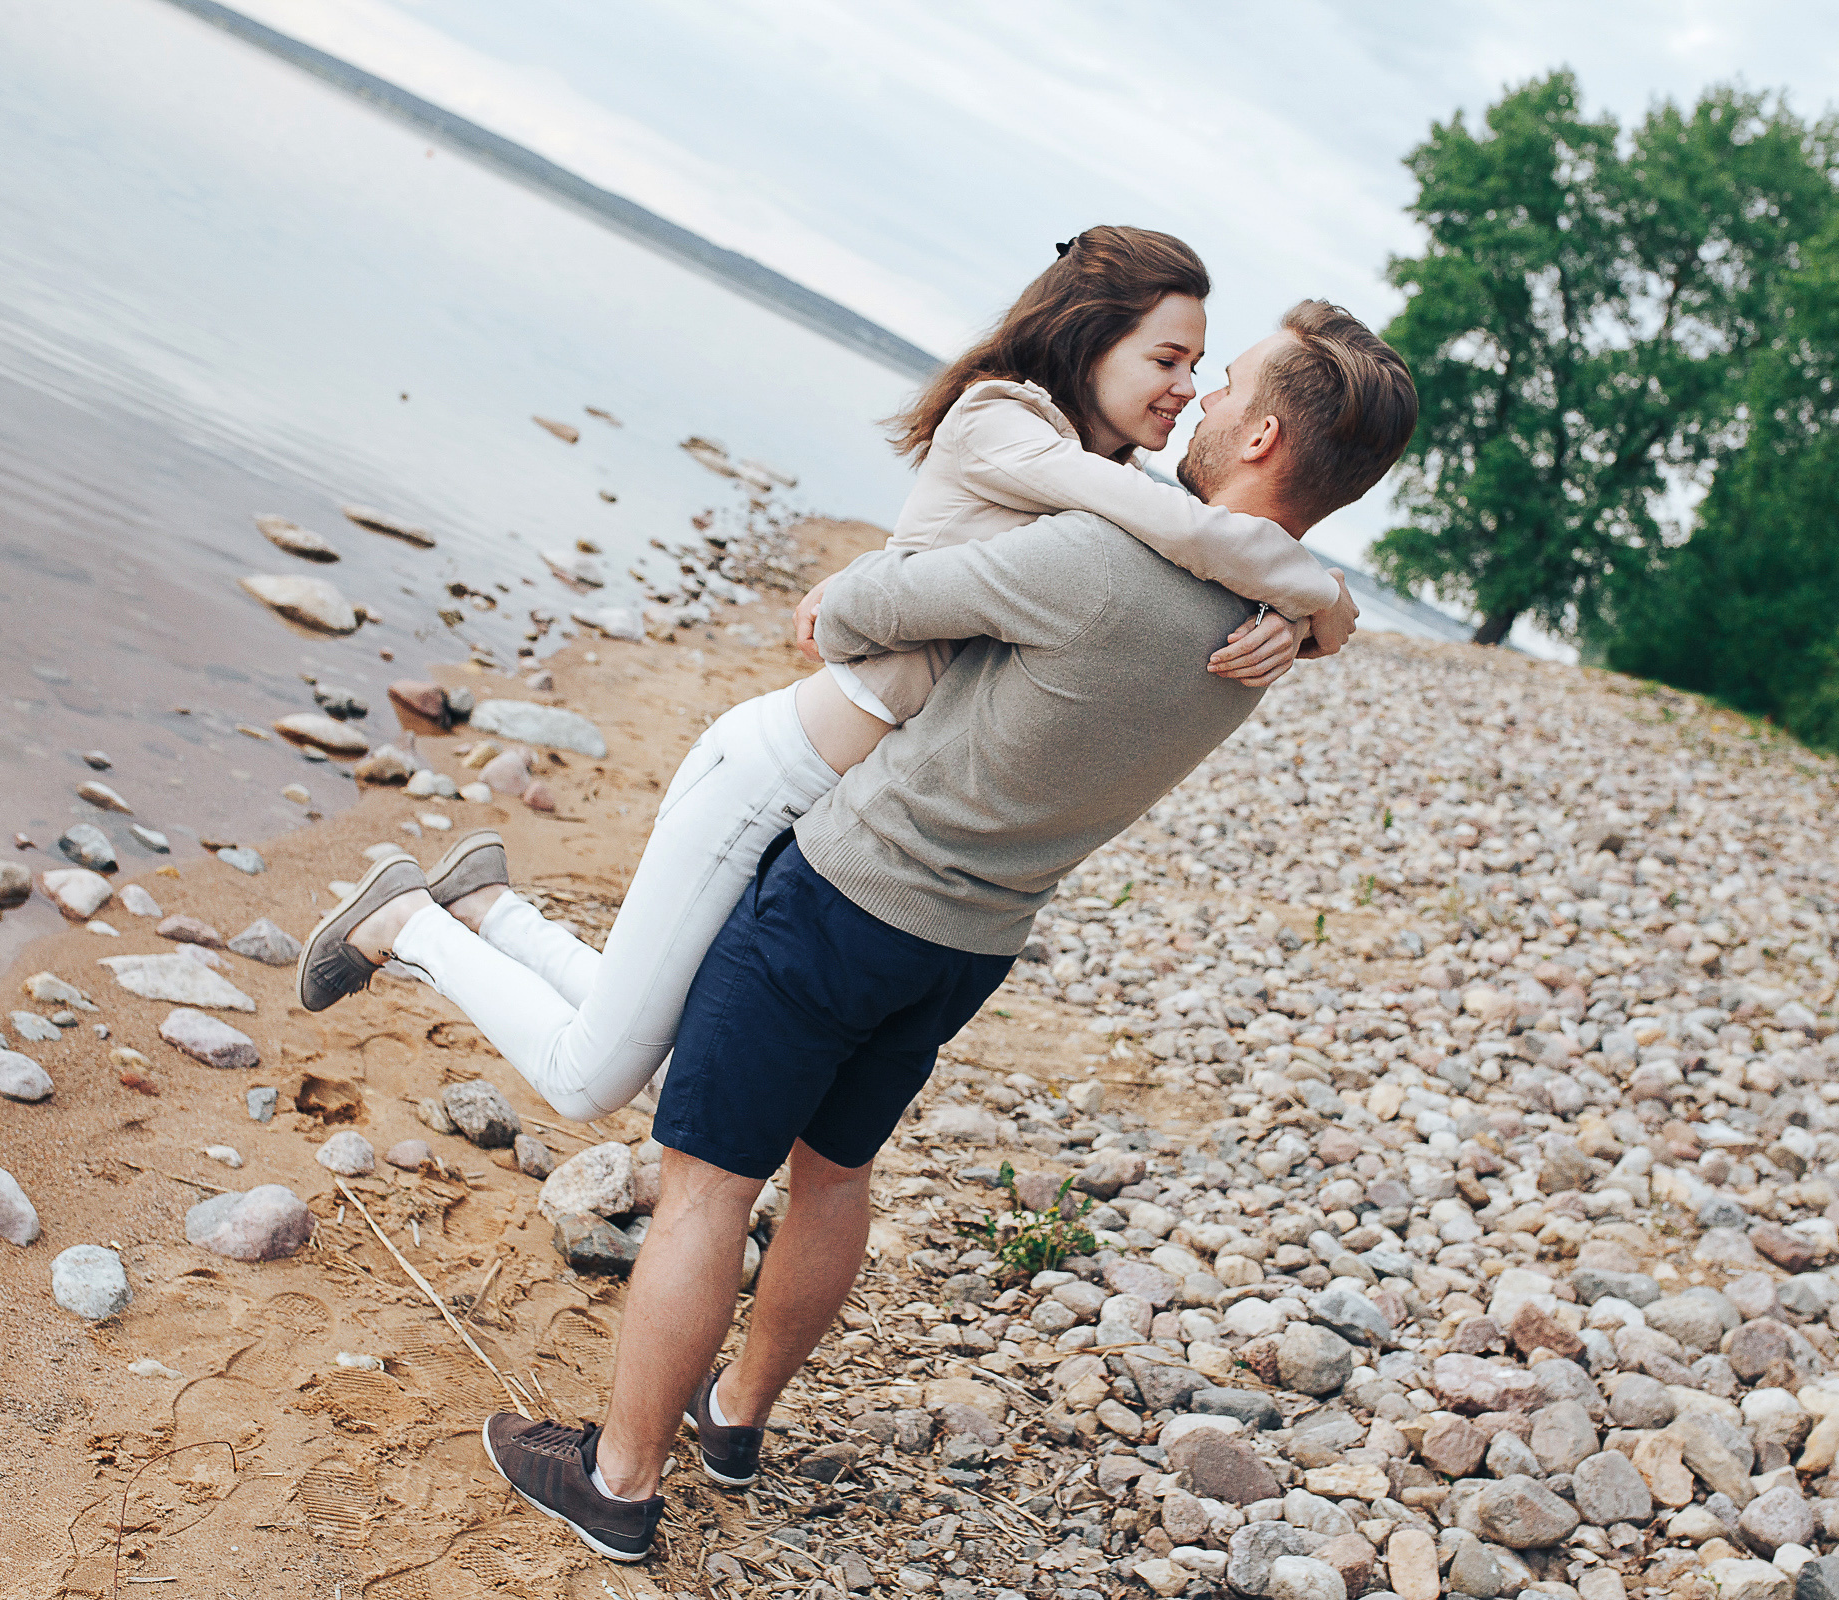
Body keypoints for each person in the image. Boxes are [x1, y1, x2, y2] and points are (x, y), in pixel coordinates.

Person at [431, 299, 1413, 1560]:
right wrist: (1321, 609)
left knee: (704, 1189)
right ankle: (733, 1419)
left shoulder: (1101, 561)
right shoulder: (1262, 634)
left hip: (844, 898)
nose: (1203, 400)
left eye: (1223, 388)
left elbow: (861, 612)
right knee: (835, 1173)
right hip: (972, 945)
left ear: (1266, 432)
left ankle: (618, 1483)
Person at [293, 228, 1361, 1123]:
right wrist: (1312, 594)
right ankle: (408, 923)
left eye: (1197, 369)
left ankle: (485, 905)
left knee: (667, 1053)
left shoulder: (1103, 483)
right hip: (773, 769)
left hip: (845, 819)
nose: (1185, 389)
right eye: (1168, 359)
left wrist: (1301, 614)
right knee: (589, 1081)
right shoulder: (1005, 421)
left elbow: (1177, 554)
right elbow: (1182, 527)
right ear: (1093, 338)